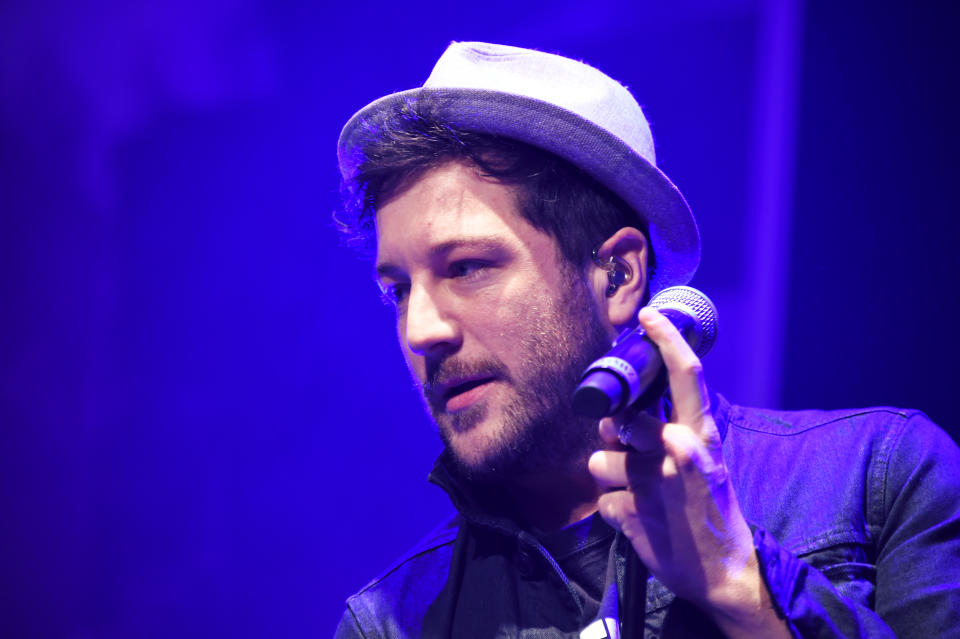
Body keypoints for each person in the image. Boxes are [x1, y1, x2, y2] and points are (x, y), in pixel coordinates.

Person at [332, 42, 960, 638]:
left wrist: (739, 581)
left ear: (619, 276)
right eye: (400, 290)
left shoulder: (876, 477)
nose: (421, 332)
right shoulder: (391, 621)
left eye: (467, 267)